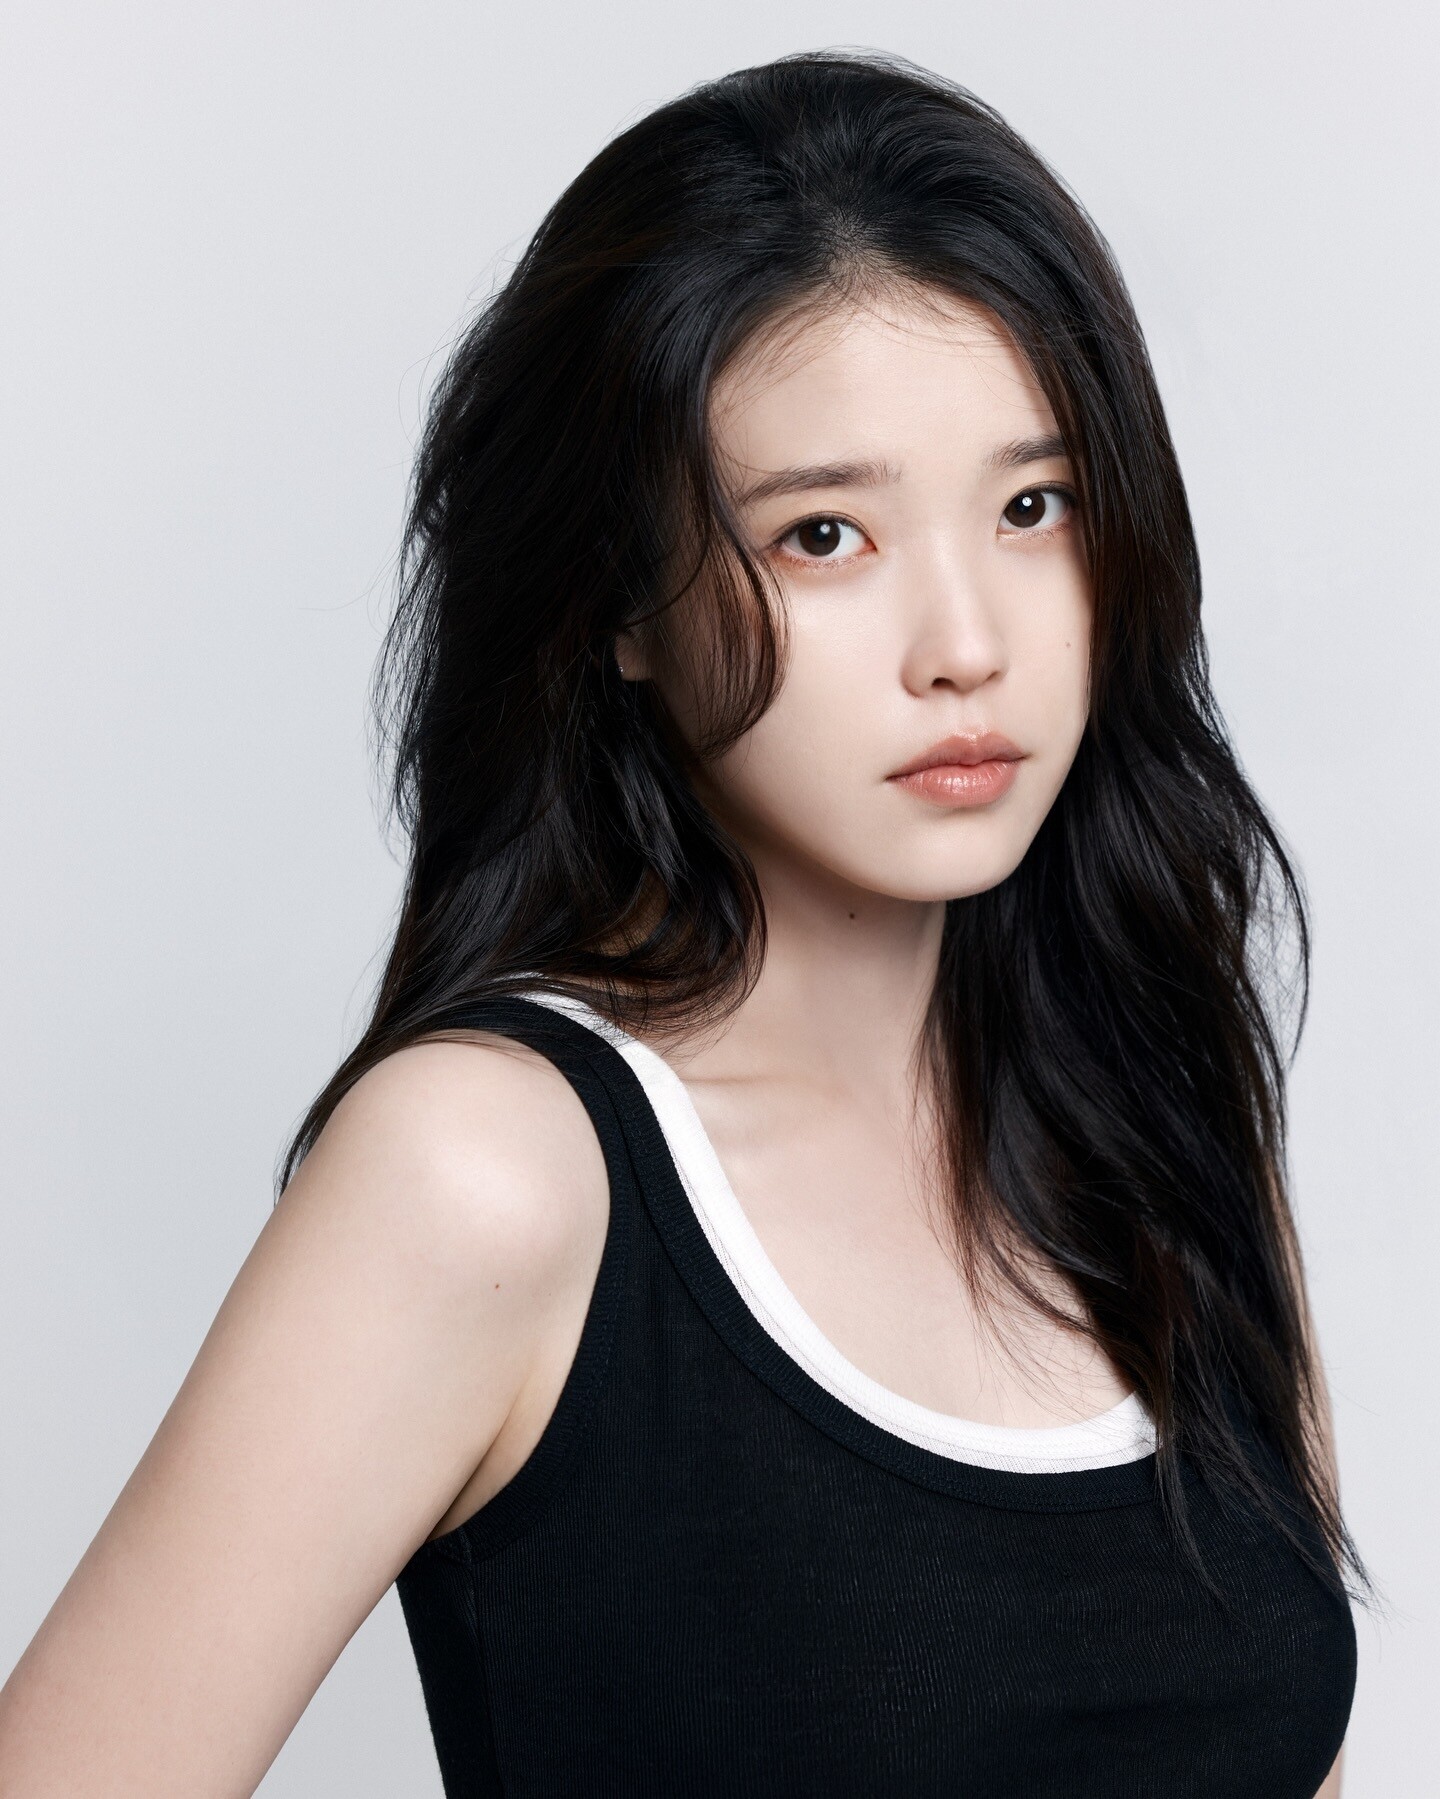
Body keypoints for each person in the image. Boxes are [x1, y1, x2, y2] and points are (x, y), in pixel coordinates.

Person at [0, 49, 1360, 1798]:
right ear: (620, 606)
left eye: (1034, 507)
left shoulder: (1164, 1116)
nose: (966, 642)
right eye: (823, 536)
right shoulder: (487, 1175)